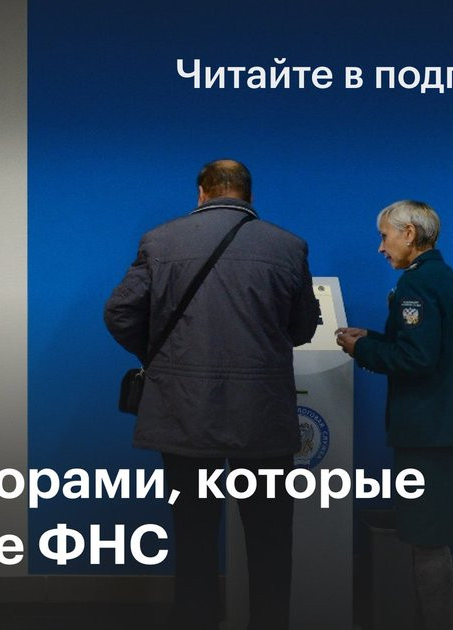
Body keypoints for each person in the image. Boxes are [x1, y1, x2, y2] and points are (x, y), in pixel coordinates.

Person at [105, 159, 319, 629]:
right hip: (261, 413)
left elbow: (119, 312)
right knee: (269, 537)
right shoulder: (288, 246)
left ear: (202, 192)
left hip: (184, 410)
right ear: (249, 195)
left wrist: (163, 359)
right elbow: (304, 327)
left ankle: (197, 618)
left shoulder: (160, 241)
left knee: (194, 533)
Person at [336, 200, 453, 630]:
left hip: (428, 432)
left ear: (409, 234)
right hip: (449, 427)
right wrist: (373, 338)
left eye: (385, 236)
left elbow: (418, 359)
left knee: (427, 539)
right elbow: (430, 347)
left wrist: (362, 350)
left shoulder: (415, 284)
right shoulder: (445, 278)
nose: (380, 247)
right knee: (437, 536)